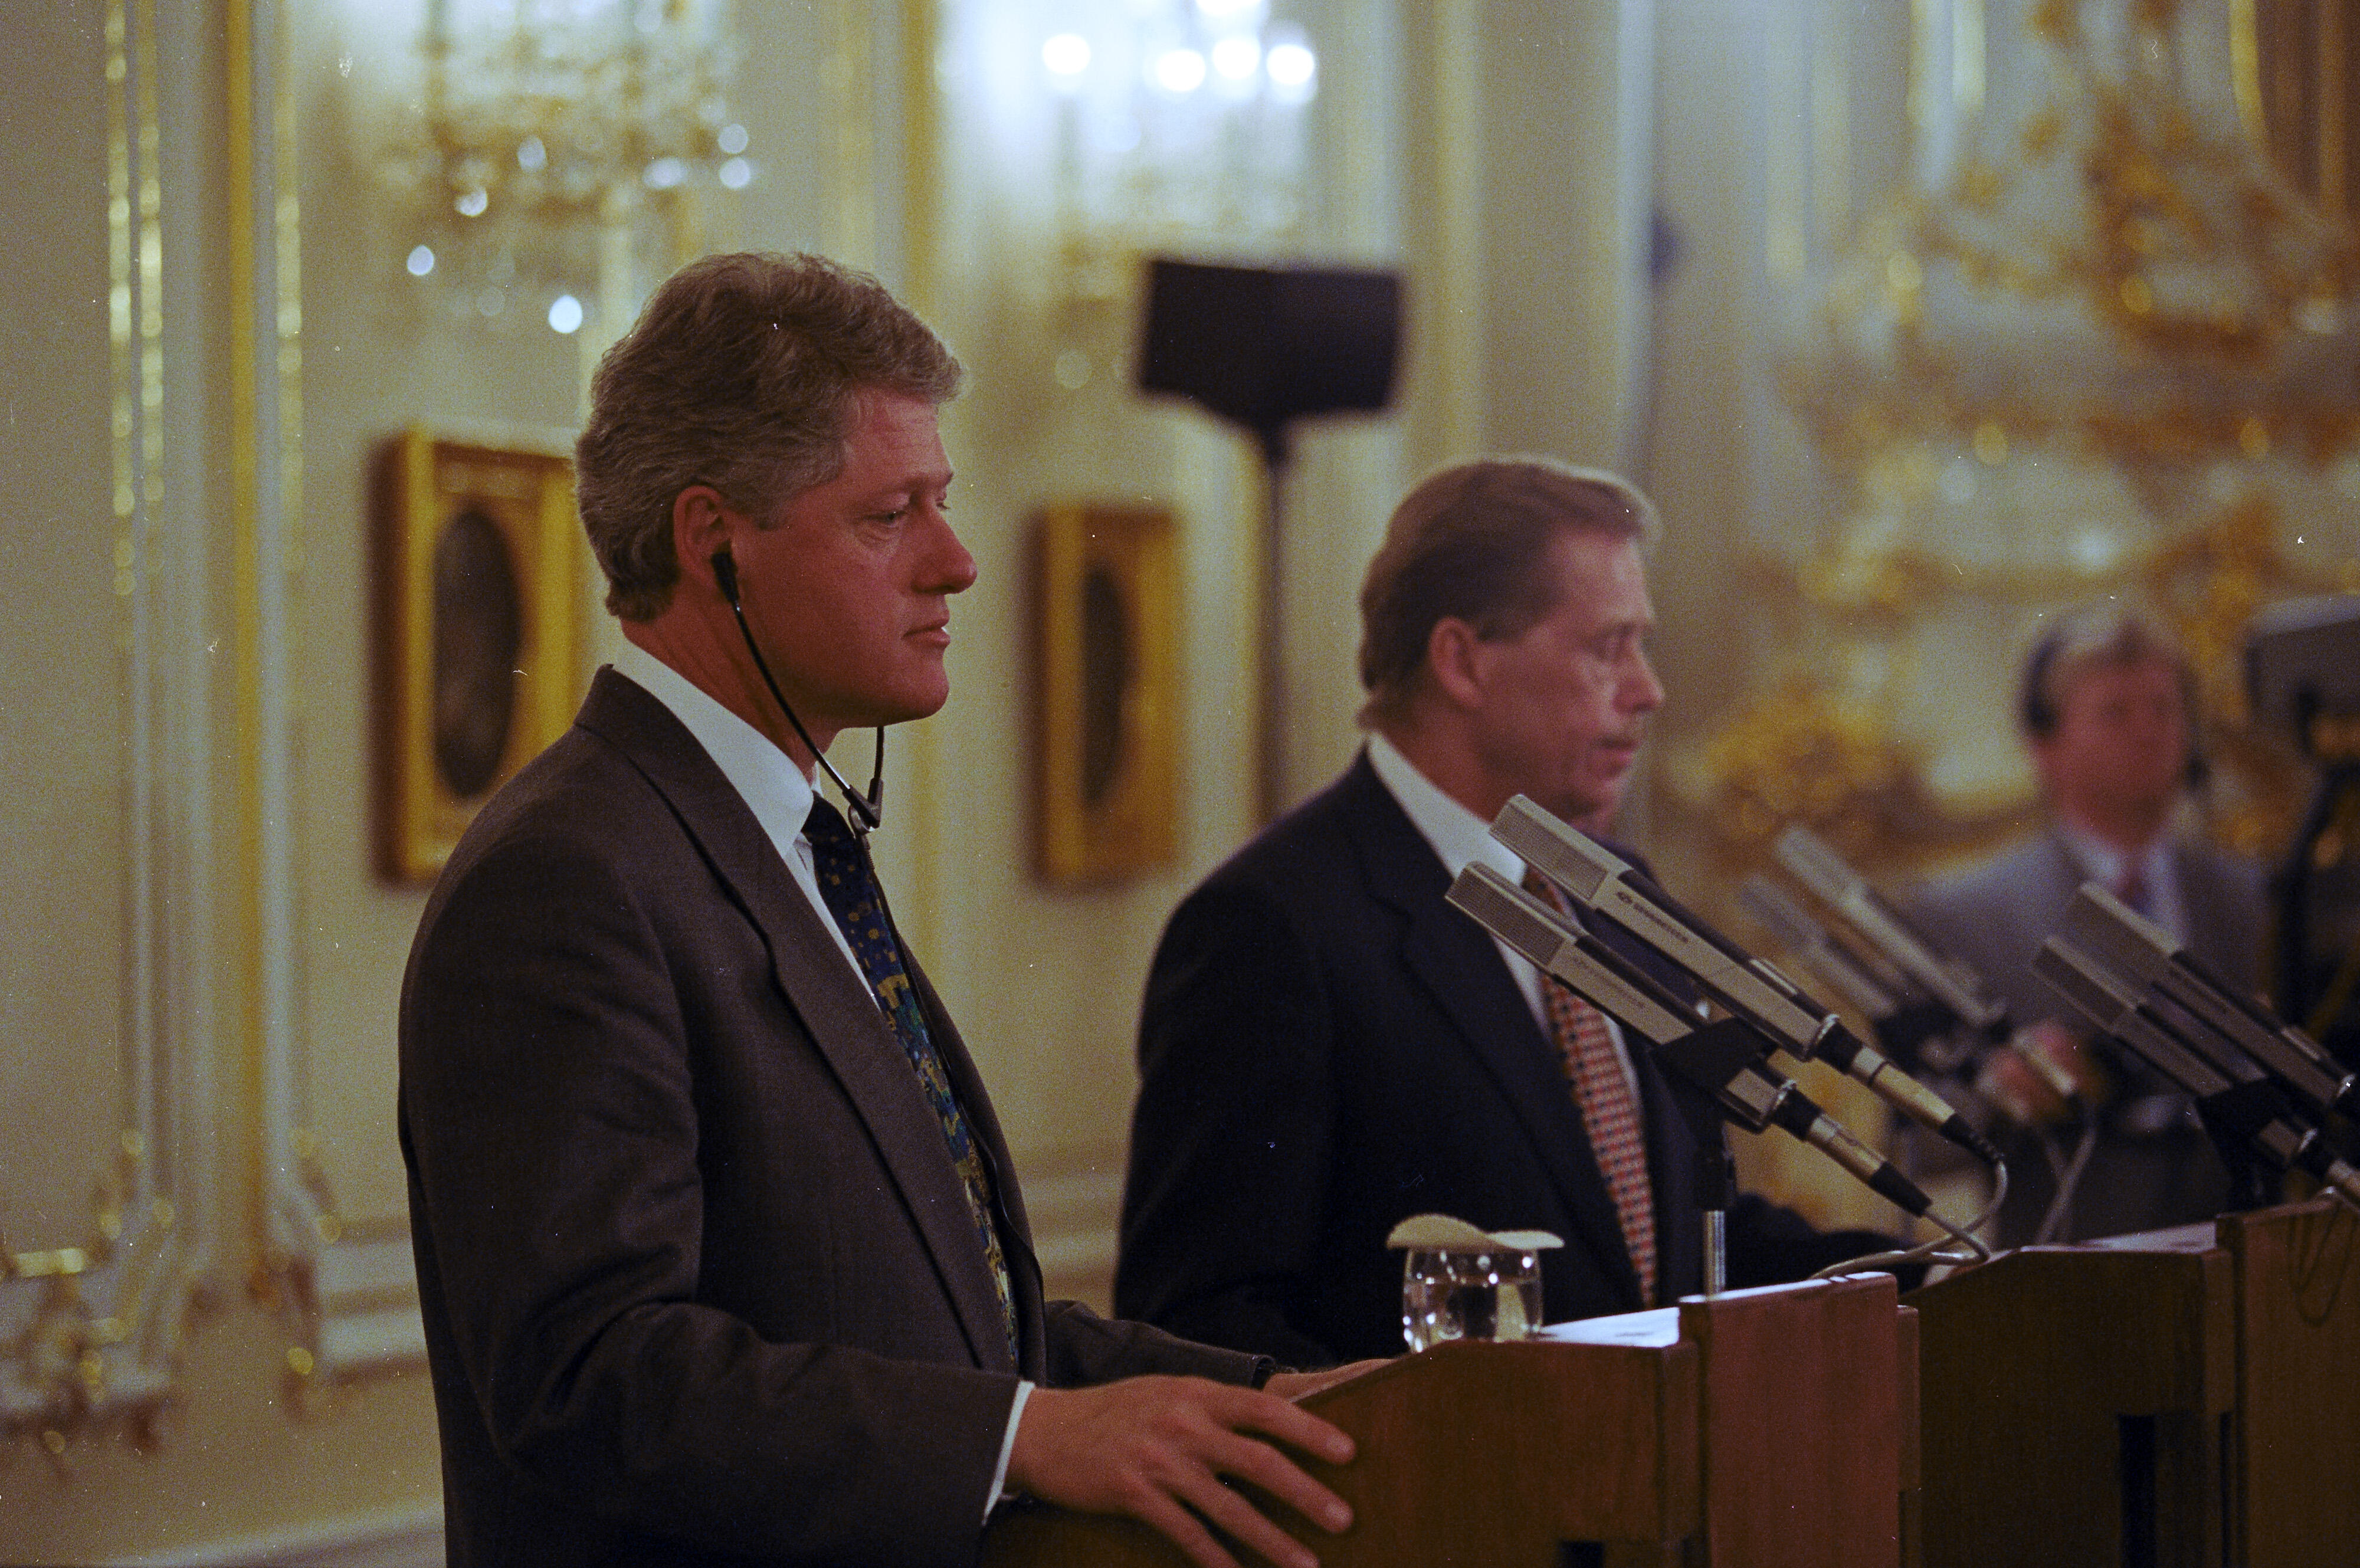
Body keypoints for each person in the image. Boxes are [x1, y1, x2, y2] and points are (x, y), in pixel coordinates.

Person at [398, 252, 1374, 1568]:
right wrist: (1019, 1439)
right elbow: (593, 1377)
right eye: (889, 515)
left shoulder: (779, 840)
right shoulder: (569, 878)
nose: (957, 563)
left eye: (945, 504)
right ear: (712, 543)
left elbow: (958, 1329)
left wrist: (1268, 1403)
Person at [1114, 458, 1896, 1369]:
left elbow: (1667, 1239)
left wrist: (1925, 1281)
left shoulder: (1620, 893)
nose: (1648, 689)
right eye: (1608, 646)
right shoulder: (1275, 924)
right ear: (1463, 660)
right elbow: (1199, 1318)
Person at [1905, 605, 2268, 1245]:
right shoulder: (1964, 913)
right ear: (2043, 746)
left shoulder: (2254, 896)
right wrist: (2002, 1088)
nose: (2148, 732)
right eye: (2114, 713)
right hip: (2077, 1281)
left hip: (2252, 1259)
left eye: (2163, 707)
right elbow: (1919, 1138)